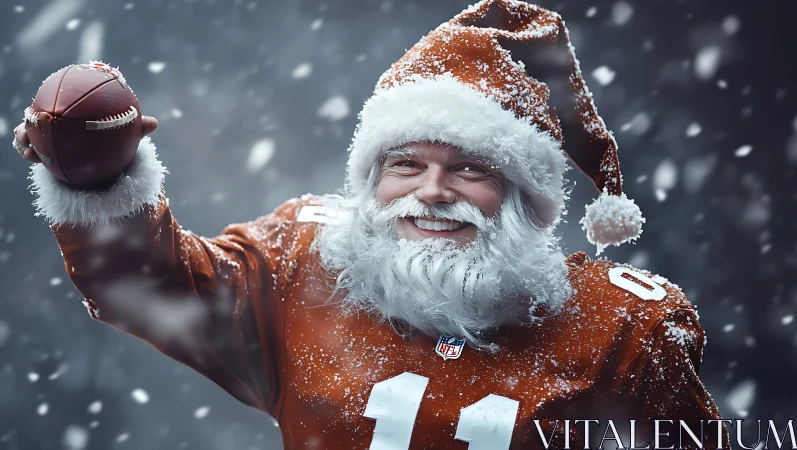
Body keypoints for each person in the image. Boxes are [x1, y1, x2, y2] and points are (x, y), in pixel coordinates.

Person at [11, 0, 730, 448]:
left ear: (523, 195)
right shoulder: (306, 263)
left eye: (471, 170)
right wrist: (96, 172)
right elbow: (148, 284)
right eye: (406, 164)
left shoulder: (626, 330)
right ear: (369, 178)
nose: (431, 192)